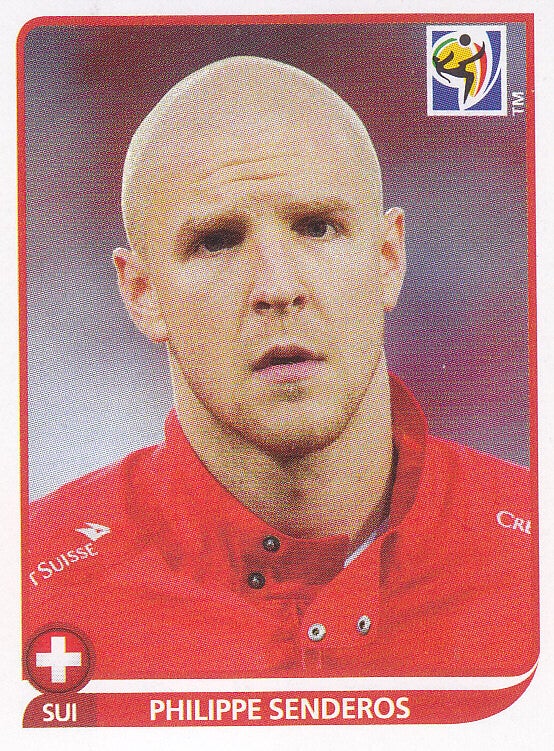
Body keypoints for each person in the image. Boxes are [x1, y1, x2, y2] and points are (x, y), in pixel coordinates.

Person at [26, 56, 537, 679]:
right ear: (142, 294)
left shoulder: (535, 555)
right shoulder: (30, 588)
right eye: (217, 240)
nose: (277, 286)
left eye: (318, 228)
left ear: (389, 257)